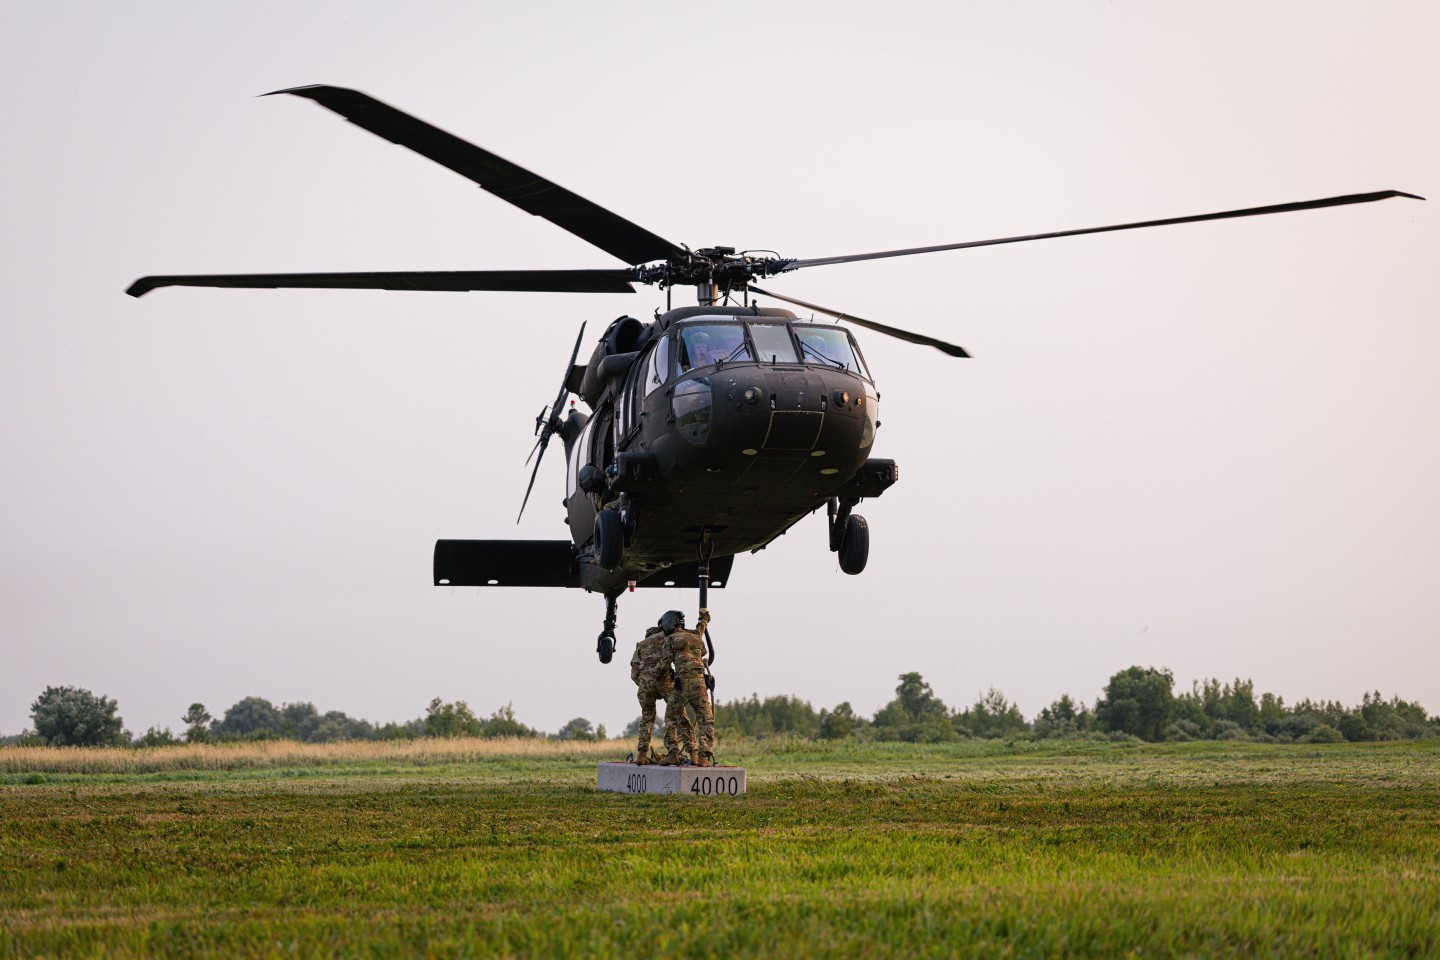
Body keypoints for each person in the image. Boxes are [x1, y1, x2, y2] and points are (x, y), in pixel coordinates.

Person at [630, 622, 694, 765]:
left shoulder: (640, 645)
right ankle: (693, 753)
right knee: (679, 715)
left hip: (645, 684)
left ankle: (641, 755)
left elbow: (634, 674)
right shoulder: (667, 638)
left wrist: (644, 683)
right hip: (665, 681)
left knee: (647, 718)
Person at [660, 607, 716, 766]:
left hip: (681, 684)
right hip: (699, 683)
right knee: (706, 719)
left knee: (671, 717)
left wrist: (650, 673)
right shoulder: (696, 637)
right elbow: (703, 643)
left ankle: (673, 753)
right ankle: (703, 757)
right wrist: (703, 619)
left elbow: (664, 664)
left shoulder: (670, 640)